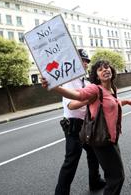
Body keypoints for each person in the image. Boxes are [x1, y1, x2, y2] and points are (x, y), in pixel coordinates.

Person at [42, 60, 131, 195]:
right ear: (97, 76)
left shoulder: (110, 89)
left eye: (107, 67)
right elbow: (76, 96)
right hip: (97, 136)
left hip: (109, 137)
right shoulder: (93, 88)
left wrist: (126, 101)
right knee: (115, 177)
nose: (105, 70)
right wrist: (54, 86)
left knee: (112, 173)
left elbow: (111, 103)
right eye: (100, 69)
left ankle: (95, 181)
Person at [55, 49, 105, 195]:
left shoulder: (86, 81)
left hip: (86, 124)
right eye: (81, 60)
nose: (85, 63)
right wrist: (89, 100)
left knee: (93, 153)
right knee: (71, 161)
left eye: (86, 61)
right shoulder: (69, 81)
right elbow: (71, 105)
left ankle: (95, 181)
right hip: (74, 125)